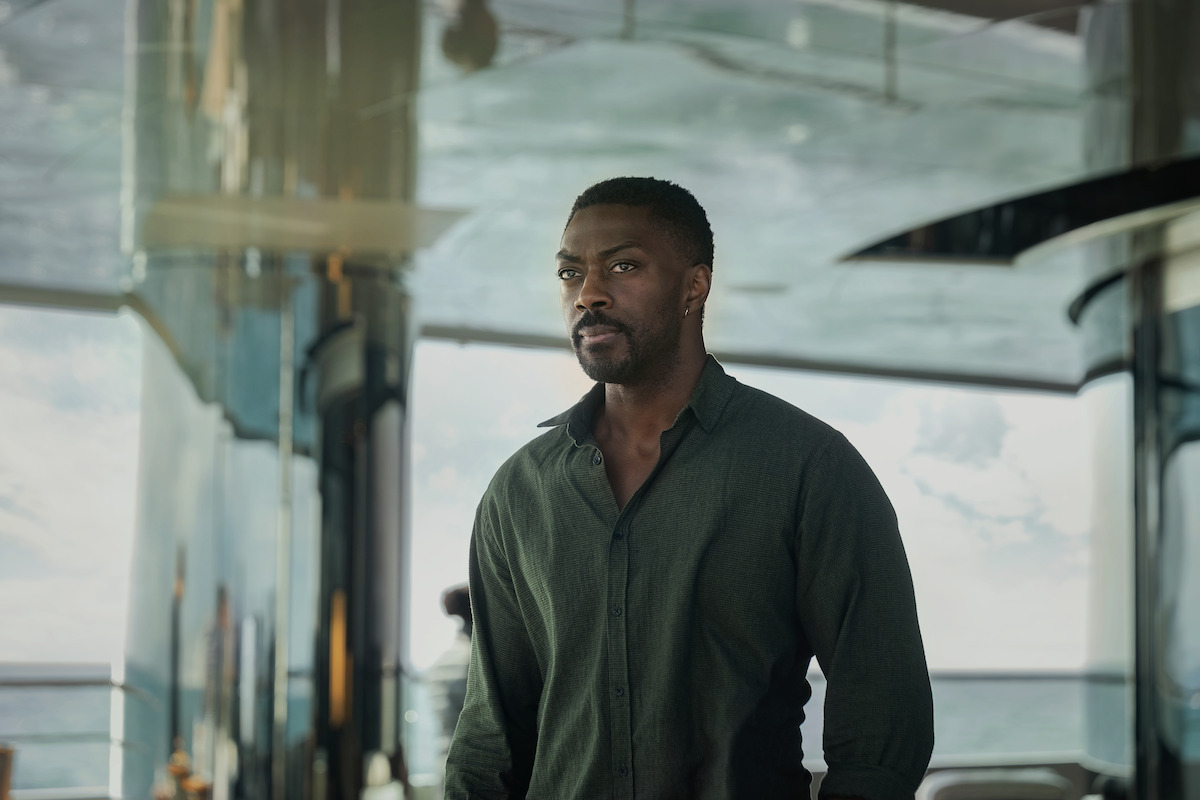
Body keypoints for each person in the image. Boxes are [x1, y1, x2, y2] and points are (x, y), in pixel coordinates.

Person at [444, 177, 934, 800]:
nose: (589, 294)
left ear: (694, 285)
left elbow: (883, 722)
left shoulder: (808, 468)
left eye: (624, 266)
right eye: (570, 274)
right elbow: (490, 740)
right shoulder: (519, 492)